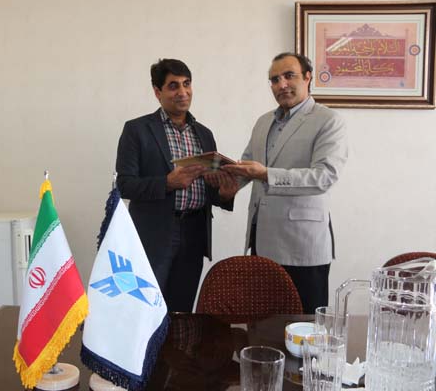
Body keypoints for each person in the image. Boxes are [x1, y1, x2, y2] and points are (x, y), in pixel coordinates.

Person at [222, 52, 348, 314]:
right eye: (274, 79)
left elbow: (324, 176)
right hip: (262, 242)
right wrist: (227, 180)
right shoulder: (263, 122)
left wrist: (267, 174)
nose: (281, 84)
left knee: (305, 326)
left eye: (289, 76)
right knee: (262, 323)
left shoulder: (328, 120)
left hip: (303, 246)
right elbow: (248, 164)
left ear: (308, 77)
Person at [115, 58, 236, 312]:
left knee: (182, 310)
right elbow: (124, 185)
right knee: (147, 308)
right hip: (154, 233)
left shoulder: (204, 134)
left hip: (194, 232)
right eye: (173, 86)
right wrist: (167, 183)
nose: (182, 92)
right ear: (157, 92)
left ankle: (178, 341)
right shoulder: (137, 130)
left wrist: (224, 194)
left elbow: (209, 189)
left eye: (186, 84)